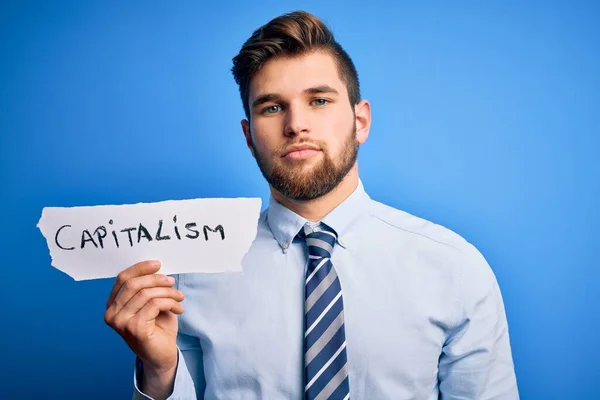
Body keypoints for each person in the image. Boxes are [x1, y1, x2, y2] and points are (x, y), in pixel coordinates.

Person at [104, 10, 519, 400]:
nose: (296, 124)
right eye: (272, 107)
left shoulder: (455, 269)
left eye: (319, 100)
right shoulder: (193, 273)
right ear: (249, 137)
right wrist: (159, 375)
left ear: (361, 121)